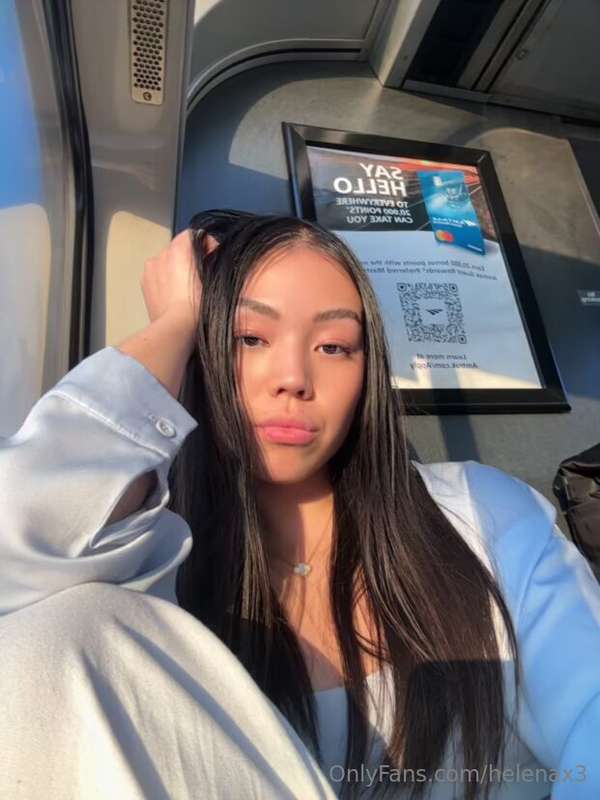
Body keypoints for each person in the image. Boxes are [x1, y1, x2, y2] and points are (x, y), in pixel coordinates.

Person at [0, 210, 599, 800]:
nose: (293, 378)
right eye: (248, 338)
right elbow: (17, 559)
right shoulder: (144, 554)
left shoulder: (480, 514)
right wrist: (174, 323)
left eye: (334, 347)